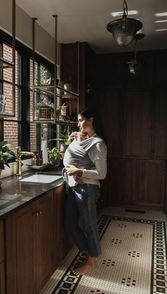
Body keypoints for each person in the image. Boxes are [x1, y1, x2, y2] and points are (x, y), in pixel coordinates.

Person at [63, 108, 107, 275]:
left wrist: (80, 172)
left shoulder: (97, 144)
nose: (78, 124)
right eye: (78, 121)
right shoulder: (81, 139)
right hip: (74, 187)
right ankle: (89, 251)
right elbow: (71, 158)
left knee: (89, 226)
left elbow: (102, 174)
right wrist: (72, 143)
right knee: (70, 223)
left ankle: (92, 261)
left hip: (87, 189)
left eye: (81, 120)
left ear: (91, 120)